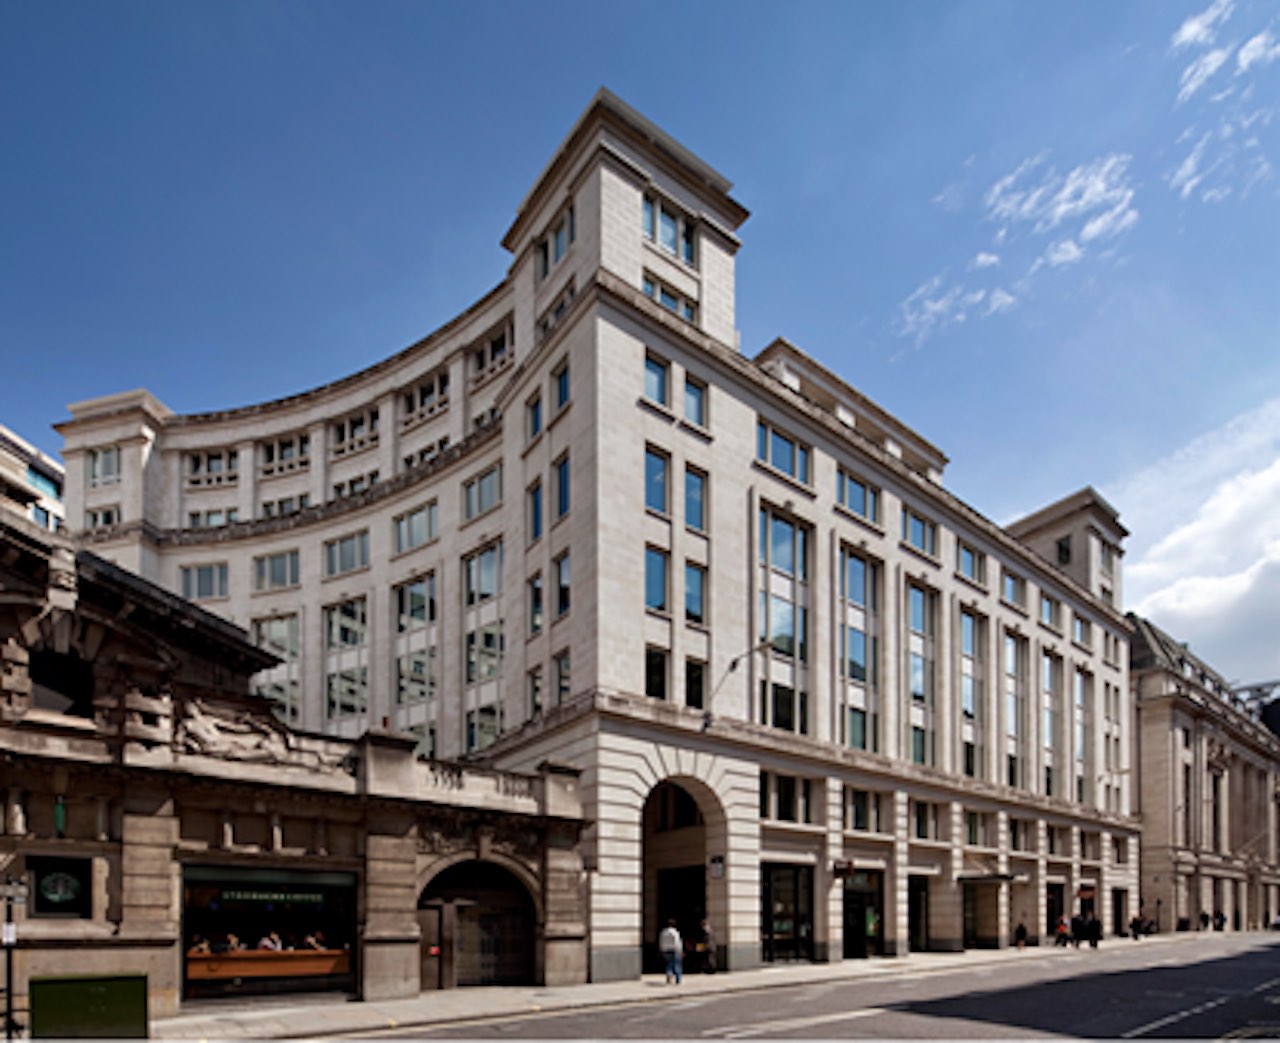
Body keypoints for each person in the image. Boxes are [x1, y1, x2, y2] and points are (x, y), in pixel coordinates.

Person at [658, 919, 683, 985]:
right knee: (676, 964)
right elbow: (677, 942)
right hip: (674, 950)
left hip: (666, 950)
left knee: (669, 964)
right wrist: (680, 950)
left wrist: (662, 950)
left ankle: (669, 974)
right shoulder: (675, 932)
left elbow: (661, 942)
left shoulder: (663, 932)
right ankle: (678, 979)